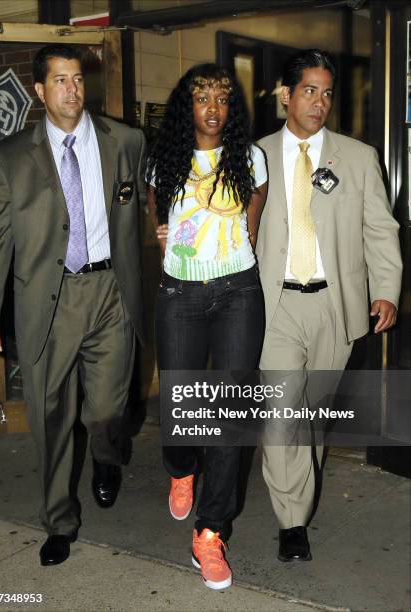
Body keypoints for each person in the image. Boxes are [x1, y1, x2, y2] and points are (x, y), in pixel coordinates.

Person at [0, 44, 146, 566]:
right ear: (39, 90)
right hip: (46, 301)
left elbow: (146, 201)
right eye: (60, 80)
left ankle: (106, 457)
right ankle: (58, 521)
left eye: (77, 79)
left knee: (106, 410)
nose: (72, 89)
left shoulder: (125, 140)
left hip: (109, 294)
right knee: (51, 418)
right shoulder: (9, 156)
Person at [256, 49, 402, 562]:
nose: (319, 103)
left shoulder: (358, 158)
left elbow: (379, 230)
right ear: (285, 94)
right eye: (309, 91)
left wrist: (386, 288)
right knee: (280, 416)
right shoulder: (254, 156)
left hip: (335, 307)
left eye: (327, 93)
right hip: (275, 305)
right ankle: (292, 522)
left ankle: (300, 497)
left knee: (310, 417)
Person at [147, 63, 267, 590]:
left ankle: (210, 531)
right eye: (202, 99)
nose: (213, 109)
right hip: (180, 292)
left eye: (221, 98)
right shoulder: (164, 156)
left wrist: (252, 221)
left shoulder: (250, 155)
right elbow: (152, 209)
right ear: (187, 106)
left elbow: (257, 194)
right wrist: (158, 231)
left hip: (239, 290)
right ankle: (180, 467)